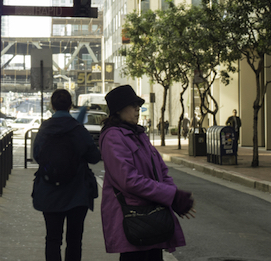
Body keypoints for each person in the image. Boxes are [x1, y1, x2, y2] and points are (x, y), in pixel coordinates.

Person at [100, 85, 195, 260]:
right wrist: (171, 195)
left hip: (153, 217)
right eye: (133, 105)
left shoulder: (138, 134)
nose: (138, 109)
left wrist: (172, 195)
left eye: (138, 105)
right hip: (133, 218)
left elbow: (162, 171)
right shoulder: (113, 137)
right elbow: (129, 180)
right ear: (119, 110)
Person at [32, 89, 101, 261]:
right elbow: (94, 158)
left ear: (52, 106)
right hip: (77, 194)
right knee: (74, 239)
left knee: (53, 239)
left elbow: (37, 156)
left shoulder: (45, 128)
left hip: (49, 192)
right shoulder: (78, 129)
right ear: (71, 106)